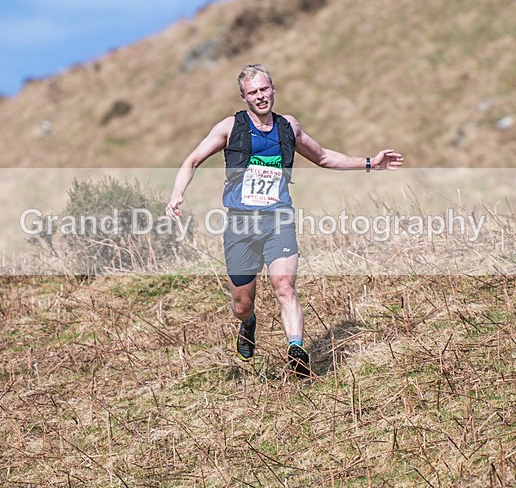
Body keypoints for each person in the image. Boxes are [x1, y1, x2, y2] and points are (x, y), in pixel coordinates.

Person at [166, 64, 403, 378]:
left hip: (279, 220)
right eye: (253, 93)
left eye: (264, 89)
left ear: (273, 88)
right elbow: (192, 159)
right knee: (241, 304)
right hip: (241, 226)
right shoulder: (229, 127)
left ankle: (296, 350)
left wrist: (371, 162)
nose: (261, 97)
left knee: (285, 286)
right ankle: (248, 324)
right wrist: (177, 194)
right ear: (244, 97)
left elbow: (323, 157)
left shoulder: (288, 127)